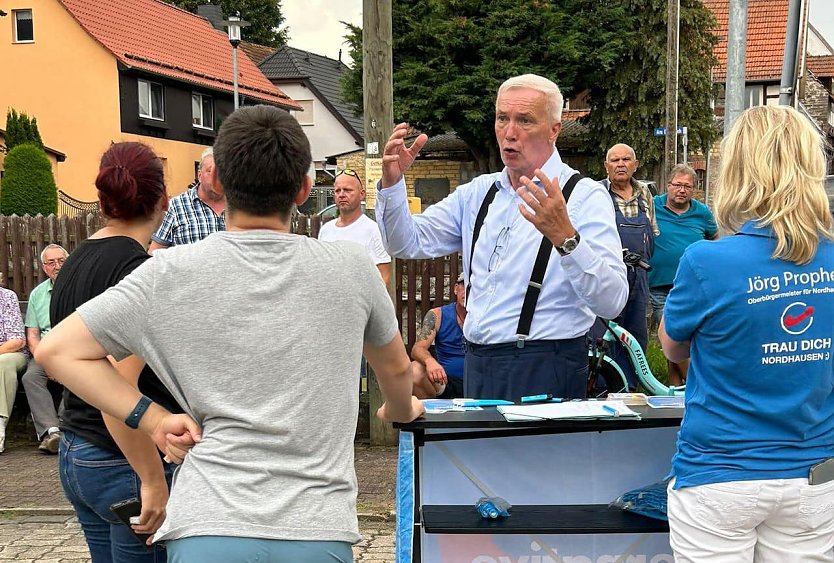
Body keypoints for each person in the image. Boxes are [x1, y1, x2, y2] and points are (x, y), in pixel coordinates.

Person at [36, 105, 424, 562]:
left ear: (216, 181)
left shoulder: (167, 272)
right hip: (316, 526)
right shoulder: (352, 268)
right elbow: (396, 368)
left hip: (207, 523)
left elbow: (57, 352)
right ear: (304, 188)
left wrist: (154, 420)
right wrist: (400, 407)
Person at [376, 74, 627, 401]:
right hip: (479, 366)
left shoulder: (584, 196)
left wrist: (567, 239)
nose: (509, 133)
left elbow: (612, 301)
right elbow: (404, 243)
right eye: (502, 119)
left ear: (554, 129)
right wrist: (393, 185)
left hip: (548, 366)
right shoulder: (478, 193)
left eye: (524, 120)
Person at [660, 105, 834, 562]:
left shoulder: (707, 260)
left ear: (737, 171)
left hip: (720, 473)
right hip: (813, 474)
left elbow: (673, 347)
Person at [51, 142, 180, 562]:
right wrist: (152, 480)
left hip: (77, 451)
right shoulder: (139, 273)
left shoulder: (75, 260)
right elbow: (119, 390)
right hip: (123, 460)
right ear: (164, 199)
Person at [649, 164, 717, 385]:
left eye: (687, 186)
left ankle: (676, 389)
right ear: (668, 186)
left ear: (693, 190)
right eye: (677, 184)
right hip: (660, 285)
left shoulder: (702, 212)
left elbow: (715, 239)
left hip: (692, 286)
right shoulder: (652, 206)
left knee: (684, 339)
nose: (681, 190)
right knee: (672, 336)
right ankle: (699, 384)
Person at [599, 143, 659, 390]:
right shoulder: (598, 193)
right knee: (606, 334)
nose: (620, 164)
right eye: (615, 160)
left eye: (626, 159)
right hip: (608, 275)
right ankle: (605, 388)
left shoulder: (646, 195)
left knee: (636, 336)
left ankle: (631, 389)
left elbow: (653, 235)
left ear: (635, 165)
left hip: (639, 276)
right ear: (606, 166)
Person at [22, 243, 68, 454]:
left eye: (61, 261)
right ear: (44, 267)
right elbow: (32, 335)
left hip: (73, 351)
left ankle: (66, 427)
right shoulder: (37, 295)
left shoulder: (78, 287)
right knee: (30, 377)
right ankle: (52, 431)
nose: (57, 266)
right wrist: (45, 360)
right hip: (45, 352)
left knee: (78, 372)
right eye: (51, 262)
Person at [318, 168, 392, 285]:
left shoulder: (373, 230)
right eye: (337, 191)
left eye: (347, 190)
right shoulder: (325, 230)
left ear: (362, 194)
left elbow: (384, 276)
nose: (341, 195)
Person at [148, 147, 225, 253]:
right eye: (210, 171)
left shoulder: (239, 205)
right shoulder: (176, 206)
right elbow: (155, 254)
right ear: (199, 175)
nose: (217, 176)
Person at [411, 273, 466, 399]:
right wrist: (429, 361)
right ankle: (430, 417)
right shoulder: (437, 315)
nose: (467, 292)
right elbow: (417, 349)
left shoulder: (488, 318)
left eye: (473, 287)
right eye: (464, 286)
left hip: (482, 381)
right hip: (446, 382)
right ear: (456, 288)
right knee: (414, 370)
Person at [0, 273, 27, 453]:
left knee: (3, 362)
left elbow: (17, 341)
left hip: (12, 354)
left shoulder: (7, 297)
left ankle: (0, 425)